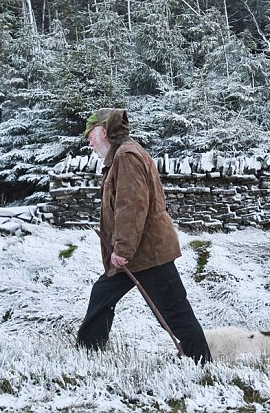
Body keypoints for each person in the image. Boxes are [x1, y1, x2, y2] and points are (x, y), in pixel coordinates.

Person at [76, 107, 211, 363]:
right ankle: (88, 353)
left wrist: (122, 250)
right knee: (102, 296)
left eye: (91, 136)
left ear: (104, 132)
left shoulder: (127, 156)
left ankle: (201, 363)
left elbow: (132, 206)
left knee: (175, 312)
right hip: (138, 252)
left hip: (148, 254)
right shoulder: (122, 154)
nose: (90, 142)